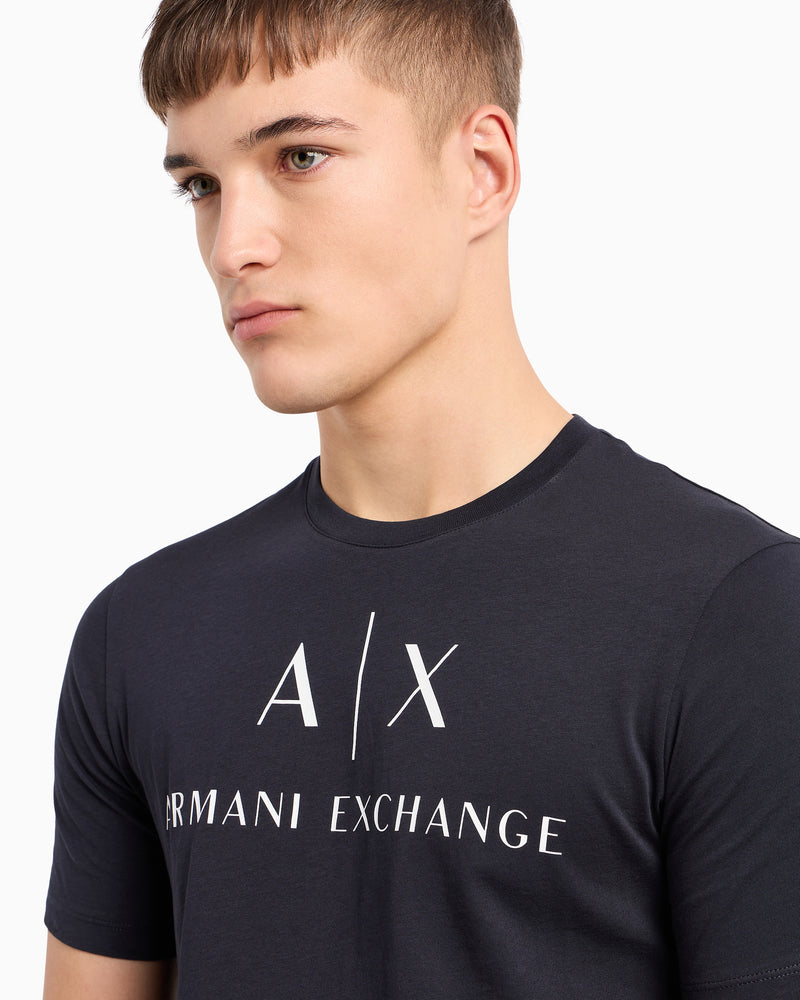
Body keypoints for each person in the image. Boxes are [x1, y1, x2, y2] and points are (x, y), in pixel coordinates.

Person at [43, 1, 800, 997]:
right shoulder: (143, 629)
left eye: (300, 157)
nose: (233, 247)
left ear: (481, 170)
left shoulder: (739, 617)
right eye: (200, 185)